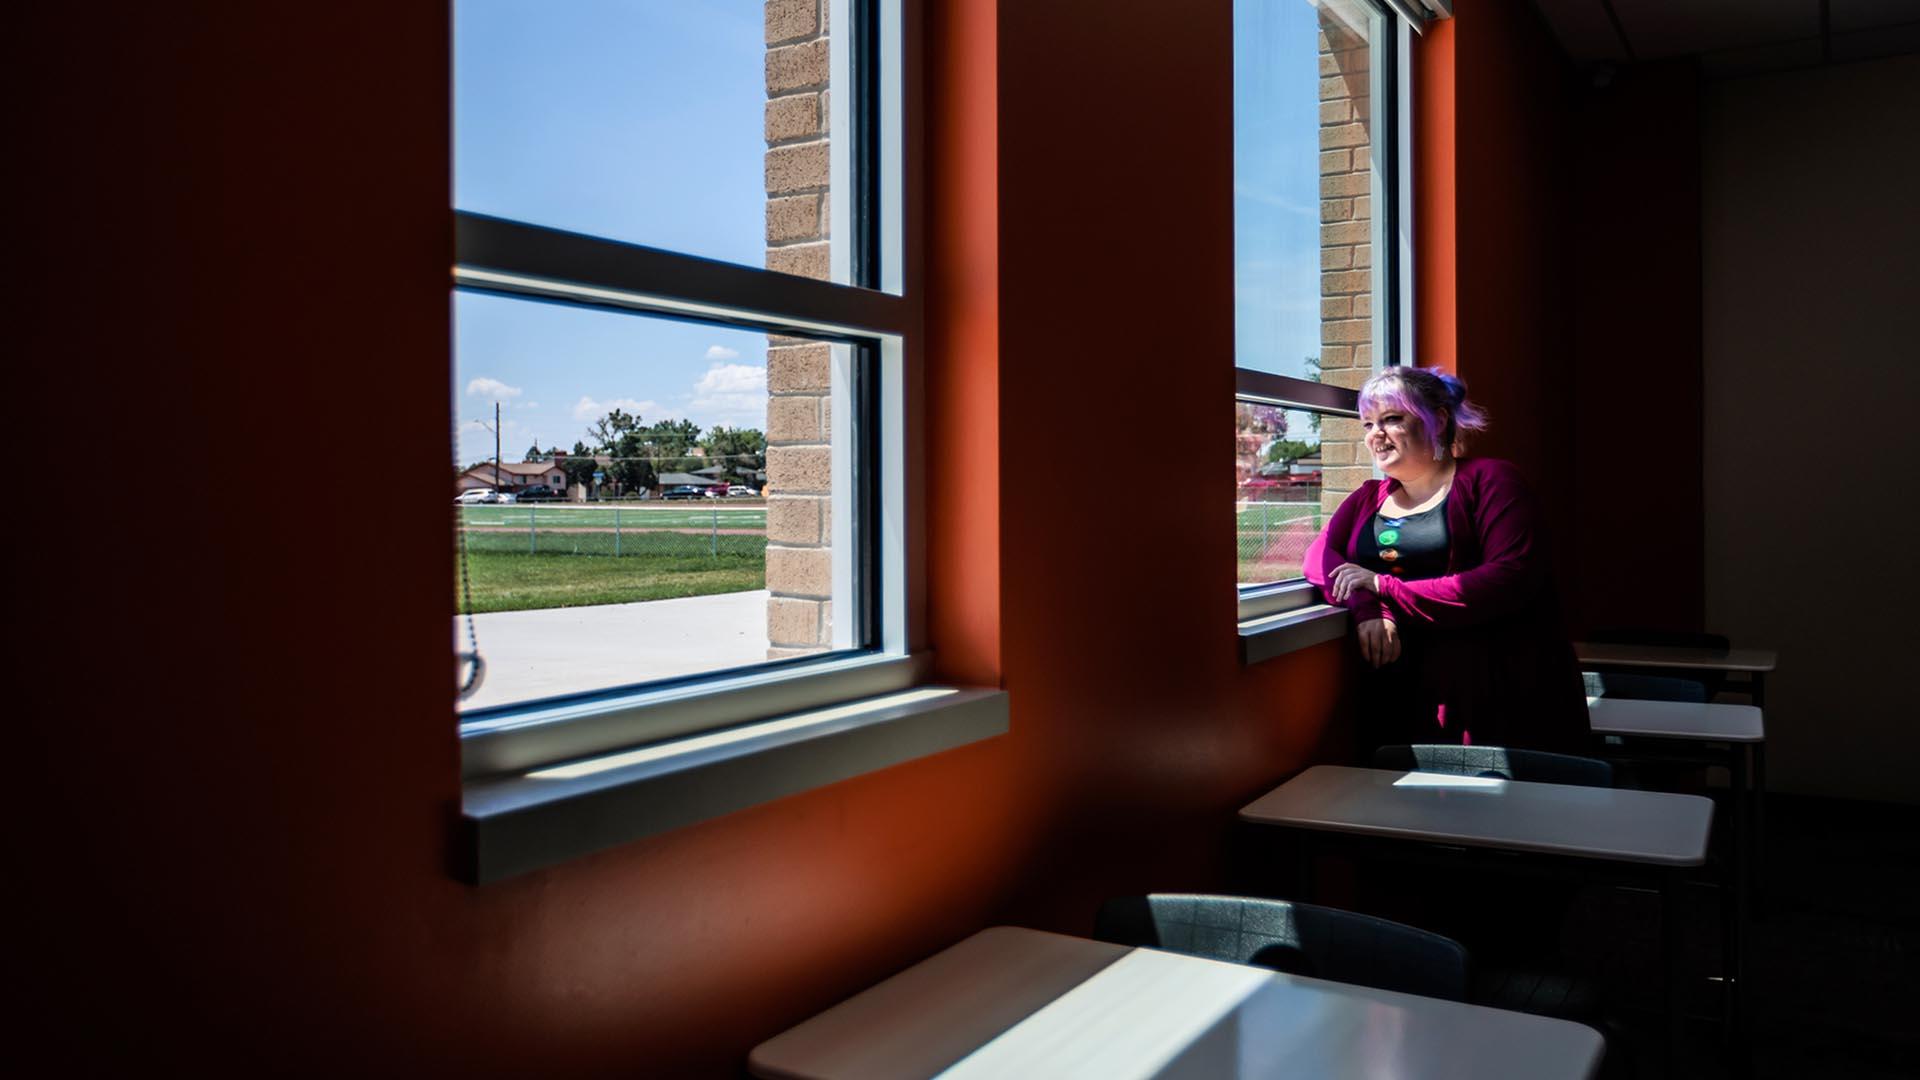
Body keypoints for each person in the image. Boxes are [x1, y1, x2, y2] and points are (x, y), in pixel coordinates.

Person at [1304, 366, 1588, 756]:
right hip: (1400, 693)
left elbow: (1509, 579)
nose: (1376, 434)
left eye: (1392, 419)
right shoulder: (1368, 497)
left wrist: (1384, 587)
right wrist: (1368, 608)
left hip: (1494, 693)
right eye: (1368, 423)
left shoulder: (1492, 480)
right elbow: (1320, 557)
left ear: (1436, 421)